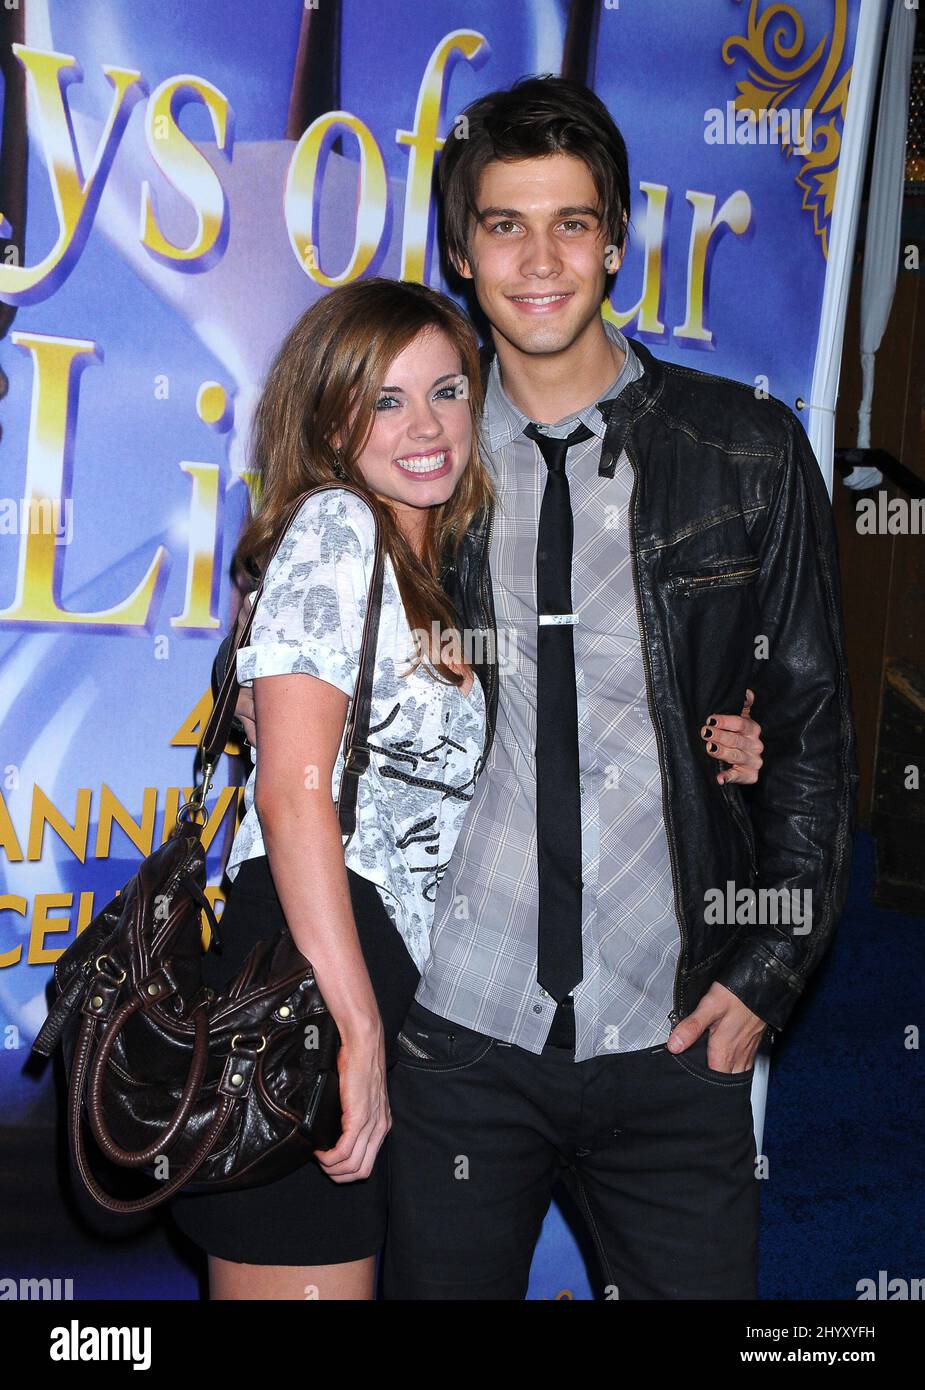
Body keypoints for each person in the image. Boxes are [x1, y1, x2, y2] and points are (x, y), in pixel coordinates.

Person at [371, 76, 858, 1300]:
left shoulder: (742, 451)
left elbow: (807, 739)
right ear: (459, 248)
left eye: (571, 223)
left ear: (615, 242)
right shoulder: (412, 461)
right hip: (463, 1030)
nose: (540, 260)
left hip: (674, 1027)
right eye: (504, 224)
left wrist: (766, 977)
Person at [170, 277, 494, 1299]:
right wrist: (354, 1032)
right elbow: (293, 796)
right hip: (307, 1001)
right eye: (387, 399)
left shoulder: (424, 562)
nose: (427, 425)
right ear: (328, 413)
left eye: (447, 390)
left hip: (370, 994)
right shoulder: (337, 528)